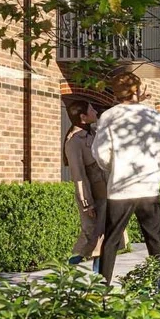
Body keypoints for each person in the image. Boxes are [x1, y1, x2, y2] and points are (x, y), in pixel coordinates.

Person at [93, 72, 160, 282]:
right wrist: (154, 164)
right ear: (137, 91)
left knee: (111, 241)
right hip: (148, 186)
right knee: (155, 240)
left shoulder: (109, 116)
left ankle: (102, 288)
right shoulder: (153, 115)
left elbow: (100, 153)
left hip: (120, 187)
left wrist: (116, 167)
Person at [63, 101, 104, 268]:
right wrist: (87, 203)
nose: (95, 111)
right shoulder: (73, 142)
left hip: (105, 193)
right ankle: (67, 269)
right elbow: (78, 175)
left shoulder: (94, 133)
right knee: (90, 236)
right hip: (92, 196)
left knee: (104, 236)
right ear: (82, 117)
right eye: (91, 109)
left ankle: (100, 279)